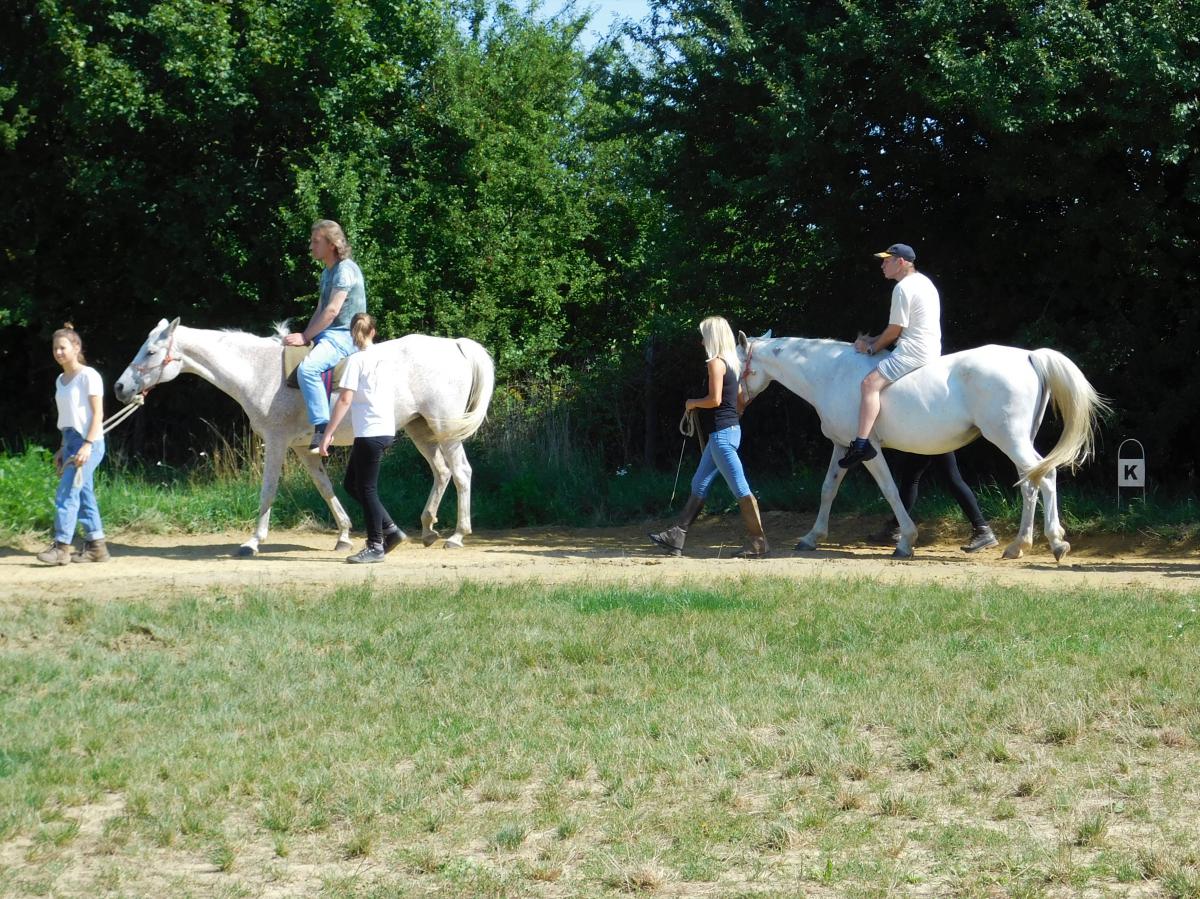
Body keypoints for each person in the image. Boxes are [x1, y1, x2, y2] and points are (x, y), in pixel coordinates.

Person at [649, 316, 768, 558]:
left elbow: (714, 400)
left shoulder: (715, 363)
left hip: (722, 436)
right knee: (699, 484)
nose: (701, 342)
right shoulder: (733, 364)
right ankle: (676, 536)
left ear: (713, 337)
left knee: (740, 488)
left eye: (704, 336)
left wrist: (692, 403)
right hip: (726, 433)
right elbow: (741, 399)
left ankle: (759, 542)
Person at [839, 242, 941, 468]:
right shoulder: (924, 282)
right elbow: (899, 329)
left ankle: (861, 444)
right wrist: (872, 339)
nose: (882, 266)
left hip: (912, 352)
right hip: (931, 348)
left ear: (901, 262)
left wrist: (870, 349)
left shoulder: (903, 288)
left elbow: (895, 331)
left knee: (869, 384)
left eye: (887, 261)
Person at [318, 313, 405, 564]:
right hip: (384, 429)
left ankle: (375, 545)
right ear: (373, 332)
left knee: (366, 489)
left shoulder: (355, 361)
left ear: (352, 334)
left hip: (369, 432)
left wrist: (327, 433)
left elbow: (345, 399)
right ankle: (391, 530)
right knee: (351, 485)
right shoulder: (385, 358)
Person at [284, 219, 368, 452]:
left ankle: (322, 429)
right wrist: (306, 336)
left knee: (308, 369)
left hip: (346, 335)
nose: (311, 246)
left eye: (316, 242)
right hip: (329, 334)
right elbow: (320, 310)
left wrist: (305, 337)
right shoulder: (327, 272)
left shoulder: (345, 270)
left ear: (332, 244)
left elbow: (332, 311)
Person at [37, 326, 110, 565]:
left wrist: (87, 445)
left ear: (76, 348)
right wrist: (62, 447)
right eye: (55, 348)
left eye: (63, 347)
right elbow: (67, 417)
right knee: (84, 493)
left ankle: (61, 547)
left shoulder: (89, 376)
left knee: (67, 493)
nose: (58, 352)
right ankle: (96, 547)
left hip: (89, 442)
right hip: (70, 441)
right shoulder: (60, 380)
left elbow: (97, 414)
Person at [869, 450, 999, 553]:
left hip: (933, 439)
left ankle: (982, 529)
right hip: (931, 437)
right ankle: (894, 527)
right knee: (912, 478)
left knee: (951, 479)